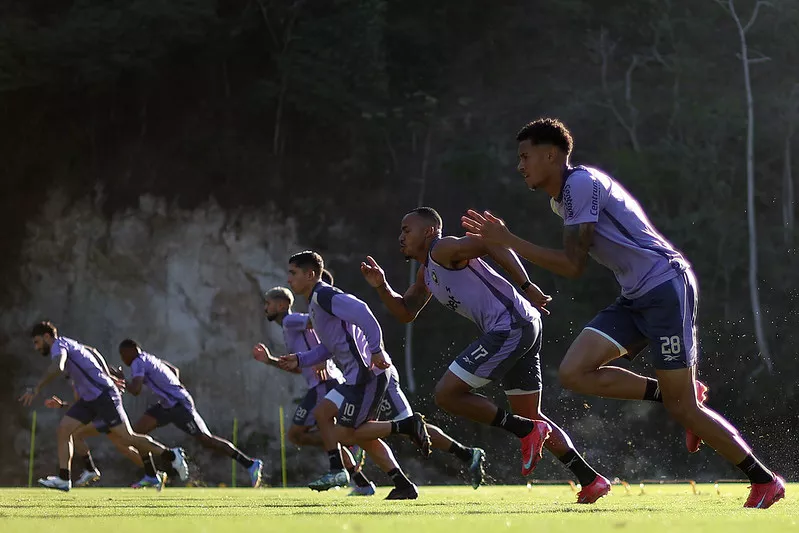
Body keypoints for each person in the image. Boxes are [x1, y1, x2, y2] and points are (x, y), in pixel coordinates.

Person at [460, 117, 785, 509]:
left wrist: (508, 240)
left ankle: (764, 479)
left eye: (525, 156)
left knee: (686, 409)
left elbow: (572, 265)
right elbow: (574, 260)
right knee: (574, 373)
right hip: (635, 296)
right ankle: (674, 393)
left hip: (666, 287)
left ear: (552, 155)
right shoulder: (560, 199)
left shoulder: (579, 184)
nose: (520, 165)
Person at [361, 207, 610, 503]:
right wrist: (381, 286)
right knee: (530, 415)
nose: (400, 236)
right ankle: (591, 479)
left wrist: (527, 285)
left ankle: (527, 430)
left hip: (511, 326)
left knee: (446, 394)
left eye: (406, 230)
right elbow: (406, 312)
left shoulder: (443, 248)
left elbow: (493, 243)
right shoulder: (427, 271)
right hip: (522, 324)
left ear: (428, 232)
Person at [18, 322, 188, 492]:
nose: (36, 347)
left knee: (127, 438)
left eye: (37, 342)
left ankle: (172, 455)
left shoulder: (59, 345)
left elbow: (58, 366)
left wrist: (36, 388)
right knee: (64, 430)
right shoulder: (70, 343)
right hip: (89, 400)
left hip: (103, 396)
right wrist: (105, 374)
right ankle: (64, 478)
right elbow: (93, 351)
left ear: (47, 337)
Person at [254, 272, 377, 496]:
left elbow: (317, 323)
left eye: (268, 304)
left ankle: (346, 446)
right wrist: (270, 360)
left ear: (281, 305)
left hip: (325, 384)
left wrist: (322, 358)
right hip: (319, 385)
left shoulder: (291, 320)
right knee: (309, 435)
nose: (265, 308)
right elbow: (298, 367)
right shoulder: (287, 327)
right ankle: (360, 479)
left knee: (297, 434)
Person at [116, 339, 264, 487]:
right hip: (169, 404)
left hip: (179, 405)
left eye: (123, 354)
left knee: (206, 440)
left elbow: (135, 390)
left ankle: (250, 463)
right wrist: (171, 389)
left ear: (132, 350)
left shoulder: (137, 362)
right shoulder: (151, 358)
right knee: (136, 434)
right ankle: (151, 475)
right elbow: (174, 371)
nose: (123, 359)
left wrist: (122, 380)